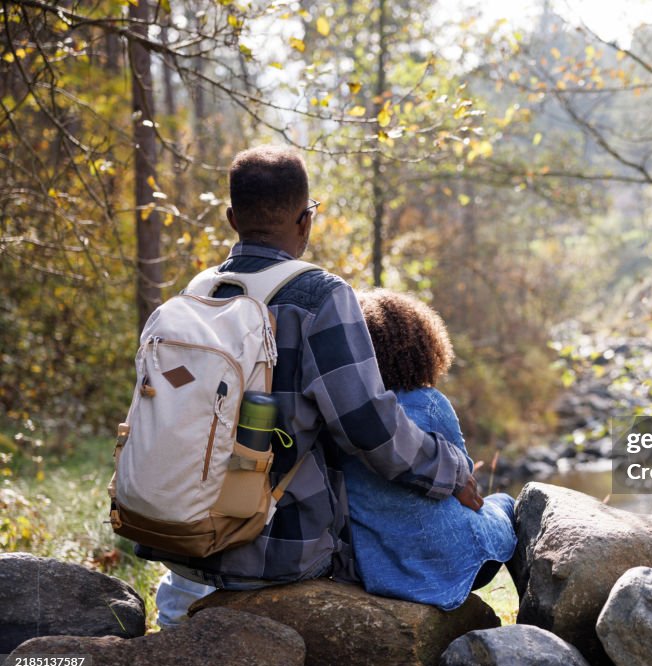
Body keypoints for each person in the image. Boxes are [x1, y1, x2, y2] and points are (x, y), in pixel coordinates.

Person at [148, 145, 483, 626]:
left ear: (231, 219)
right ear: (304, 221)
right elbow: (370, 428)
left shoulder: (195, 294)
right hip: (275, 551)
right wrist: (450, 469)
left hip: (181, 537)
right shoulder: (321, 298)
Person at [345, 289, 516, 610]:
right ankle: (532, 613)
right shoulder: (429, 403)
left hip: (381, 570)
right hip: (454, 560)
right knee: (505, 503)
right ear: (422, 347)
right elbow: (466, 484)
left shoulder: (345, 418)